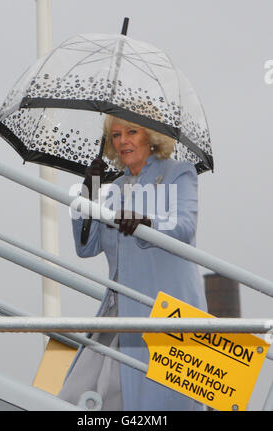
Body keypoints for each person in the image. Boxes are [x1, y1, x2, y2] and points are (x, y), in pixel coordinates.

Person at [58, 115, 207, 411]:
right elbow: (86, 246)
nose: (122, 140)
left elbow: (185, 227)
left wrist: (146, 222)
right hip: (118, 312)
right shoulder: (113, 187)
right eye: (115, 135)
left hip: (163, 310)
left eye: (131, 132)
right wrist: (89, 190)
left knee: (145, 400)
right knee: (75, 395)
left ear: (149, 136)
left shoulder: (179, 173)